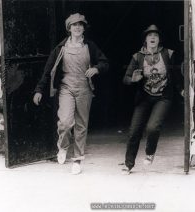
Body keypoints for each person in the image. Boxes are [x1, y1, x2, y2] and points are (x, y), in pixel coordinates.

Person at [33, 13, 109, 174]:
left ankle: (78, 160)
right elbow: (48, 70)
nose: (78, 27)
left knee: (81, 125)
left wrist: (96, 68)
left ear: (84, 28)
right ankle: (63, 146)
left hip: (84, 88)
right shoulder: (61, 48)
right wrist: (39, 89)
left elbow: (105, 62)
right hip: (66, 88)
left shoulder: (90, 46)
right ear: (69, 28)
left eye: (81, 25)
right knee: (66, 122)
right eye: (74, 25)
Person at [122, 24, 181, 174]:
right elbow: (126, 79)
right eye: (149, 35)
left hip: (163, 97)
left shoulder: (168, 53)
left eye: (155, 35)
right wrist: (133, 79)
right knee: (134, 131)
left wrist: (182, 89)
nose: (152, 37)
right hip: (144, 98)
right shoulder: (138, 56)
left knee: (152, 127)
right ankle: (128, 164)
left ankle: (150, 152)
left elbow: (176, 74)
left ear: (159, 39)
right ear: (145, 40)